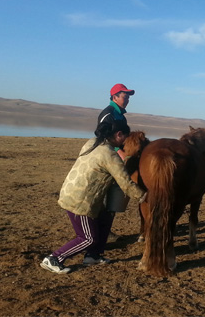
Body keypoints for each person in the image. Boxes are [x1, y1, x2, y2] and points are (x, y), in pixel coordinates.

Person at [40, 117, 146, 274]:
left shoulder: (92, 142)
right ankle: (54, 258)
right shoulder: (109, 155)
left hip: (76, 191)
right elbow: (126, 183)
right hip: (80, 200)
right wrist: (144, 196)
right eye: (125, 137)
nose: (125, 142)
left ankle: (93, 256)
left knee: (105, 218)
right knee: (87, 238)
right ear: (118, 134)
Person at [97, 83, 136, 242]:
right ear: (114, 97)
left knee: (113, 195)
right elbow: (101, 137)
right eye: (124, 97)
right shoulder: (109, 114)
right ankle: (100, 232)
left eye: (127, 98)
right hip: (107, 158)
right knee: (104, 195)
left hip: (118, 159)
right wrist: (118, 151)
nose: (127, 100)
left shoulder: (121, 116)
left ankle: (106, 230)